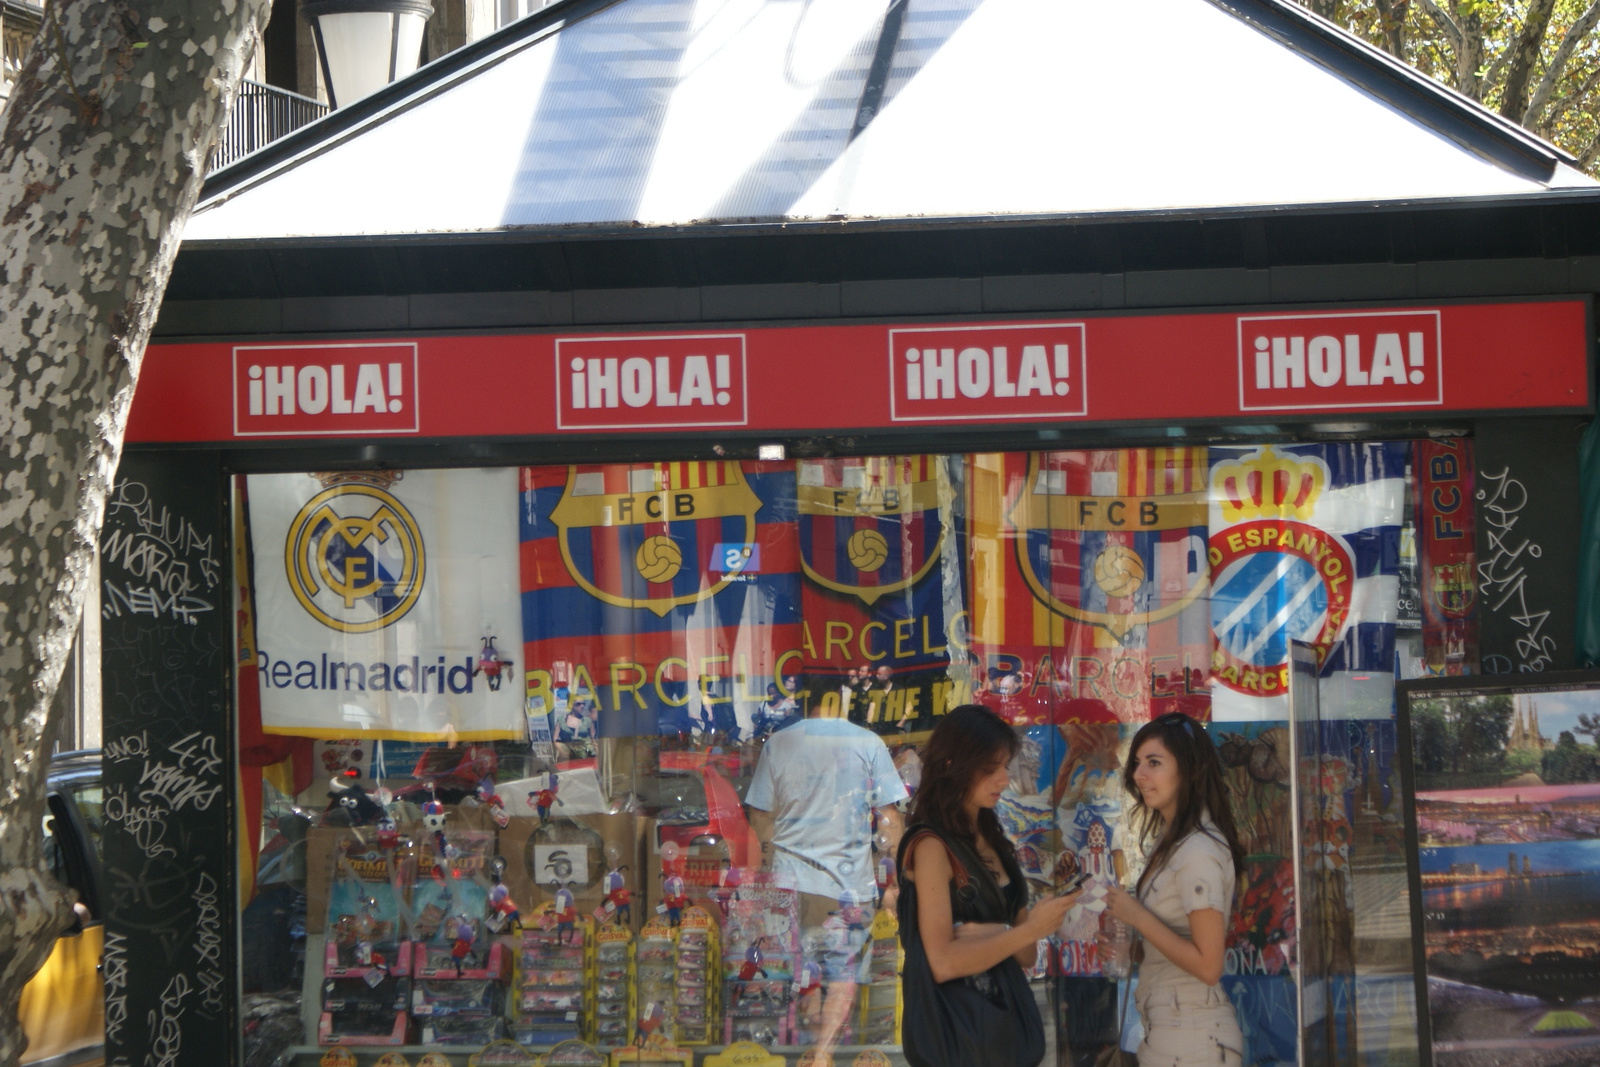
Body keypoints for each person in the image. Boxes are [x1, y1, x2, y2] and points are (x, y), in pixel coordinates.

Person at [898, 704, 1078, 1067]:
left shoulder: (993, 838)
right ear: (952, 765)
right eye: (989, 769)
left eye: (1004, 767)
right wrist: (1024, 931)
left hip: (1004, 1034)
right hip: (956, 1038)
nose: (1003, 780)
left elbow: (1026, 955)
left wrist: (995, 931)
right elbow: (944, 963)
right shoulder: (932, 846)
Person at [745, 701, 909, 1050]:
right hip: (851, 885)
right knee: (843, 974)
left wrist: (768, 861)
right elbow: (890, 820)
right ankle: (823, 1053)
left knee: (803, 974)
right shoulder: (869, 743)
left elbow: (760, 816)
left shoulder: (780, 742)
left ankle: (809, 1049)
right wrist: (894, 877)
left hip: (793, 883)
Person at [1102, 712, 1247, 1067]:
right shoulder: (1173, 843)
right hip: (1170, 1032)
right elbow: (1172, 942)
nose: (1140, 775)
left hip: (1194, 1037)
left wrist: (1136, 916)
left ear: (1189, 769)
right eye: (1137, 763)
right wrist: (1129, 945)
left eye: (1154, 763)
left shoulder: (1197, 851)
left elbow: (1209, 965)